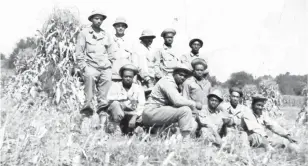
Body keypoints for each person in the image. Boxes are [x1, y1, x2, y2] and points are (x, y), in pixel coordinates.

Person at [142, 65, 203, 139]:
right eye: (180, 75)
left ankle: (155, 136)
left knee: (183, 119)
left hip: (158, 112)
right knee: (185, 110)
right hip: (152, 111)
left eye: (185, 76)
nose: (183, 78)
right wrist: (194, 104)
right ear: (174, 73)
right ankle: (186, 140)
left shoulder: (176, 85)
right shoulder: (168, 81)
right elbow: (177, 101)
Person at [75, 9, 113, 118]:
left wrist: (109, 65)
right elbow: (79, 53)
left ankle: (103, 112)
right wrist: (84, 67)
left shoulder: (106, 34)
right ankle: (87, 111)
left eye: (101, 19)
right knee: (89, 88)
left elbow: (111, 52)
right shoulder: (84, 33)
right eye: (96, 18)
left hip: (105, 67)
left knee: (105, 93)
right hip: (91, 66)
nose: (99, 21)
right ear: (91, 19)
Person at [105, 64, 145, 135]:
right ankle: (116, 127)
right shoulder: (115, 86)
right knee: (114, 104)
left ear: (133, 77)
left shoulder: (138, 88)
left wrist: (134, 117)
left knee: (145, 113)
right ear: (122, 77)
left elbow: (142, 104)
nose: (128, 78)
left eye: (130, 77)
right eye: (126, 76)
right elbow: (109, 99)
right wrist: (126, 97)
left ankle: (134, 129)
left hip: (132, 114)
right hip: (119, 113)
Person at [109, 17, 133, 81]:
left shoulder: (130, 42)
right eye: (118, 26)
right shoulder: (109, 40)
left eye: (122, 26)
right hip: (113, 74)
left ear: (125, 28)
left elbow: (133, 59)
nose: (120, 28)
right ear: (114, 27)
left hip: (126, 75)